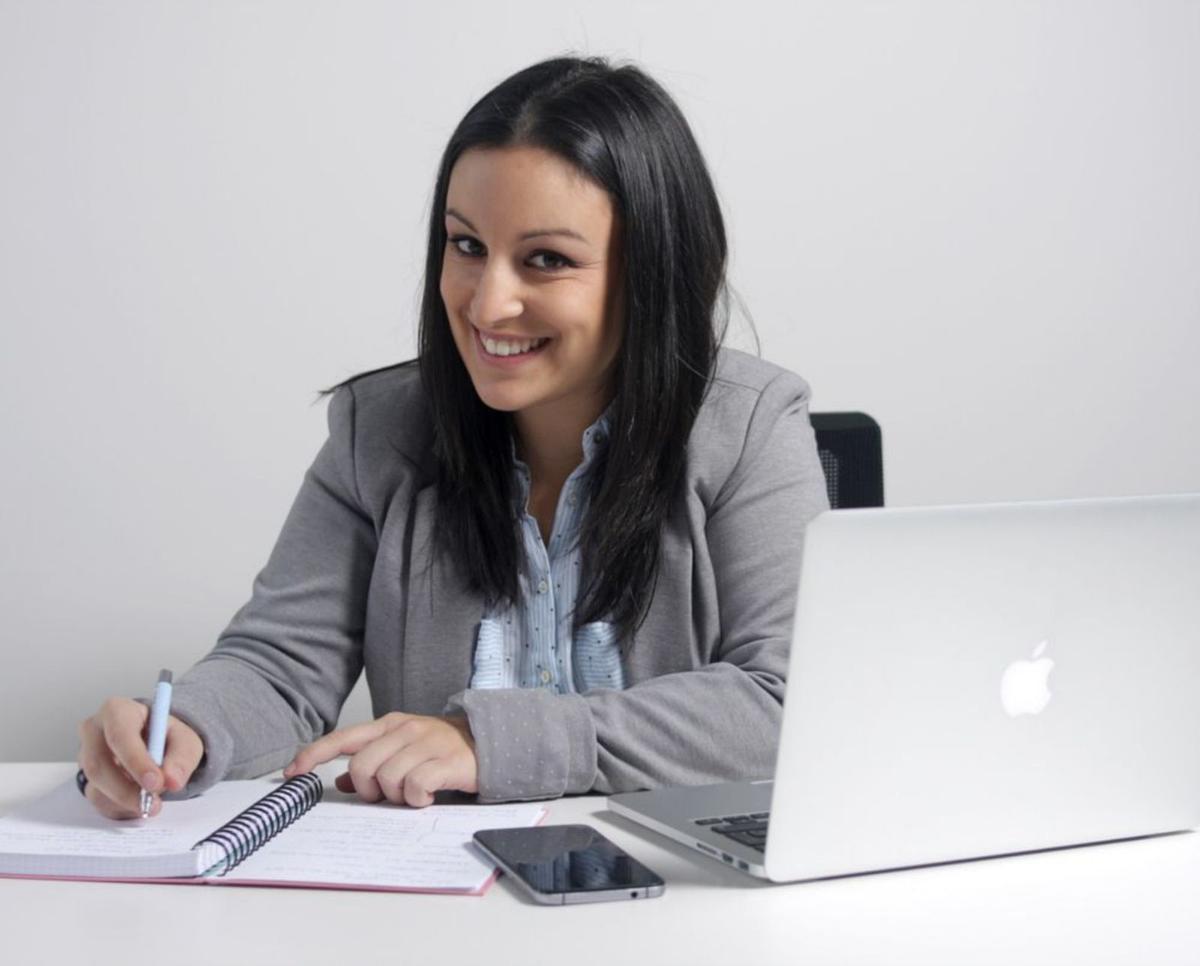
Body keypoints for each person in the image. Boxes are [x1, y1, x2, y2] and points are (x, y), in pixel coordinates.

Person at [75, 54, 830, 819]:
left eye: (546, 260)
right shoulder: (379, 430)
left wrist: (486, 741)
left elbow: (790, 703)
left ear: (652, 274)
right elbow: (280, 666)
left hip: (682, 907)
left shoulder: (752, 425)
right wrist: (187, 728)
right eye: (466, 245)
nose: (487, 303)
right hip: (444, 906)